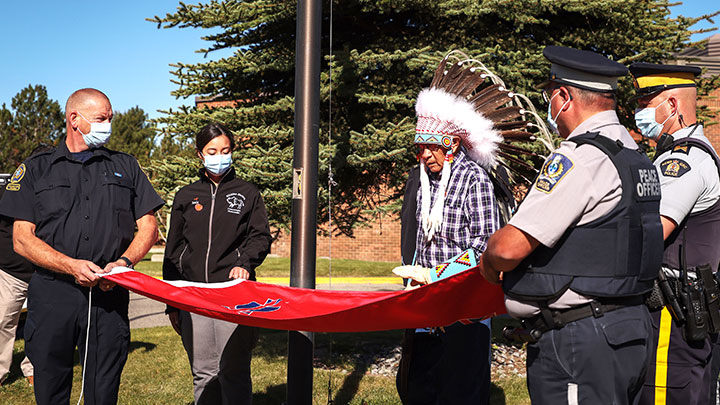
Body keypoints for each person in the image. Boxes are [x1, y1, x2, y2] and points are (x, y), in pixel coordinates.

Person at [478, 46, 664, 404]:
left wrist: (488, 264)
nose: (550, 108)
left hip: (580, 338)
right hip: (627, 328)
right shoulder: (633, 155)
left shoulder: (582, 157)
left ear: (564, 97)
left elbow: (507, 248)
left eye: (550, 97)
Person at [0, 88, 164, 404]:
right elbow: (22, 239)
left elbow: (149, 227)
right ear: (75, 119)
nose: (109, 125)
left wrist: (125, 262)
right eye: (102, 119)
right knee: (50, 389)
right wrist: (70, 265)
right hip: (52, 295)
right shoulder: (36, 168)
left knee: (103, 392)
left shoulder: (126, 166)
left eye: (110, 119)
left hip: (108, 296)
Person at [393, 56, 502, 404]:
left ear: (452, 145)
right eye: (419, 147)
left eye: (431, 147)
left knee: (461, 391)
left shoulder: (475, 180)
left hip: (464, 306)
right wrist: (416, 278)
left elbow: (485, 245)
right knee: (419, 389)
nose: (424, 155)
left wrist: (436, 273)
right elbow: (413, 235)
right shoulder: (420, 181)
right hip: (424, 305)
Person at [629, 63, 720, 405]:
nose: (639, 111)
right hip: (687, 306)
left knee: (662, 395)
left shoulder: (681, 161)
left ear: (672, 105)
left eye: (645, 103)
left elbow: (652, 231)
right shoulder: (679, 153)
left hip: (673, 312)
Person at [163, 122, 272, 405]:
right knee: (203, 372)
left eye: (225, 150)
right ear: (200, 154)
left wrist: (245, 263)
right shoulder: (186, 196)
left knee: (233, 371)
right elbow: (173, 251)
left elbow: (260, 237)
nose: (219, 156)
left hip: (234, 294)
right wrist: (172, 302)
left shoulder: (248, 193)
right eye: (212, 150)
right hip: (193, 295)